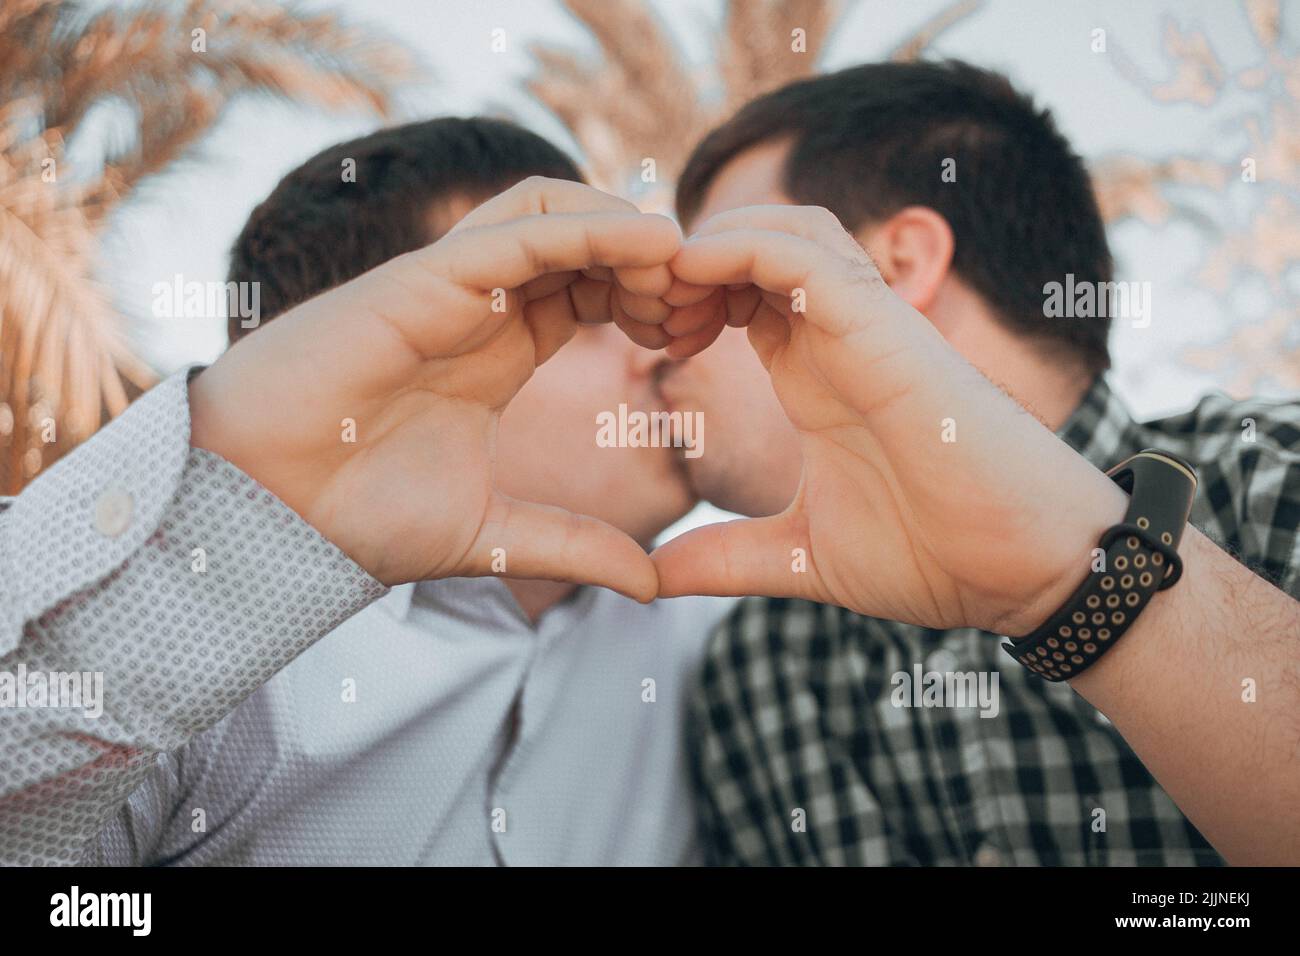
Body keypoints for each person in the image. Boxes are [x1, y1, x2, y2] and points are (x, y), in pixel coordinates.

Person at [0, 118, 735, 866]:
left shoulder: (737, 653)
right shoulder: (190, 677)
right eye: (573, 318)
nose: (656, 352)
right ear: (365, 377)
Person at [649, 59, 1300, 865]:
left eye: (721, 277)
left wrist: (1079, 580)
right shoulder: (760, 671)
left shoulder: (1279, 482)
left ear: (894, 268)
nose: (655, 345)